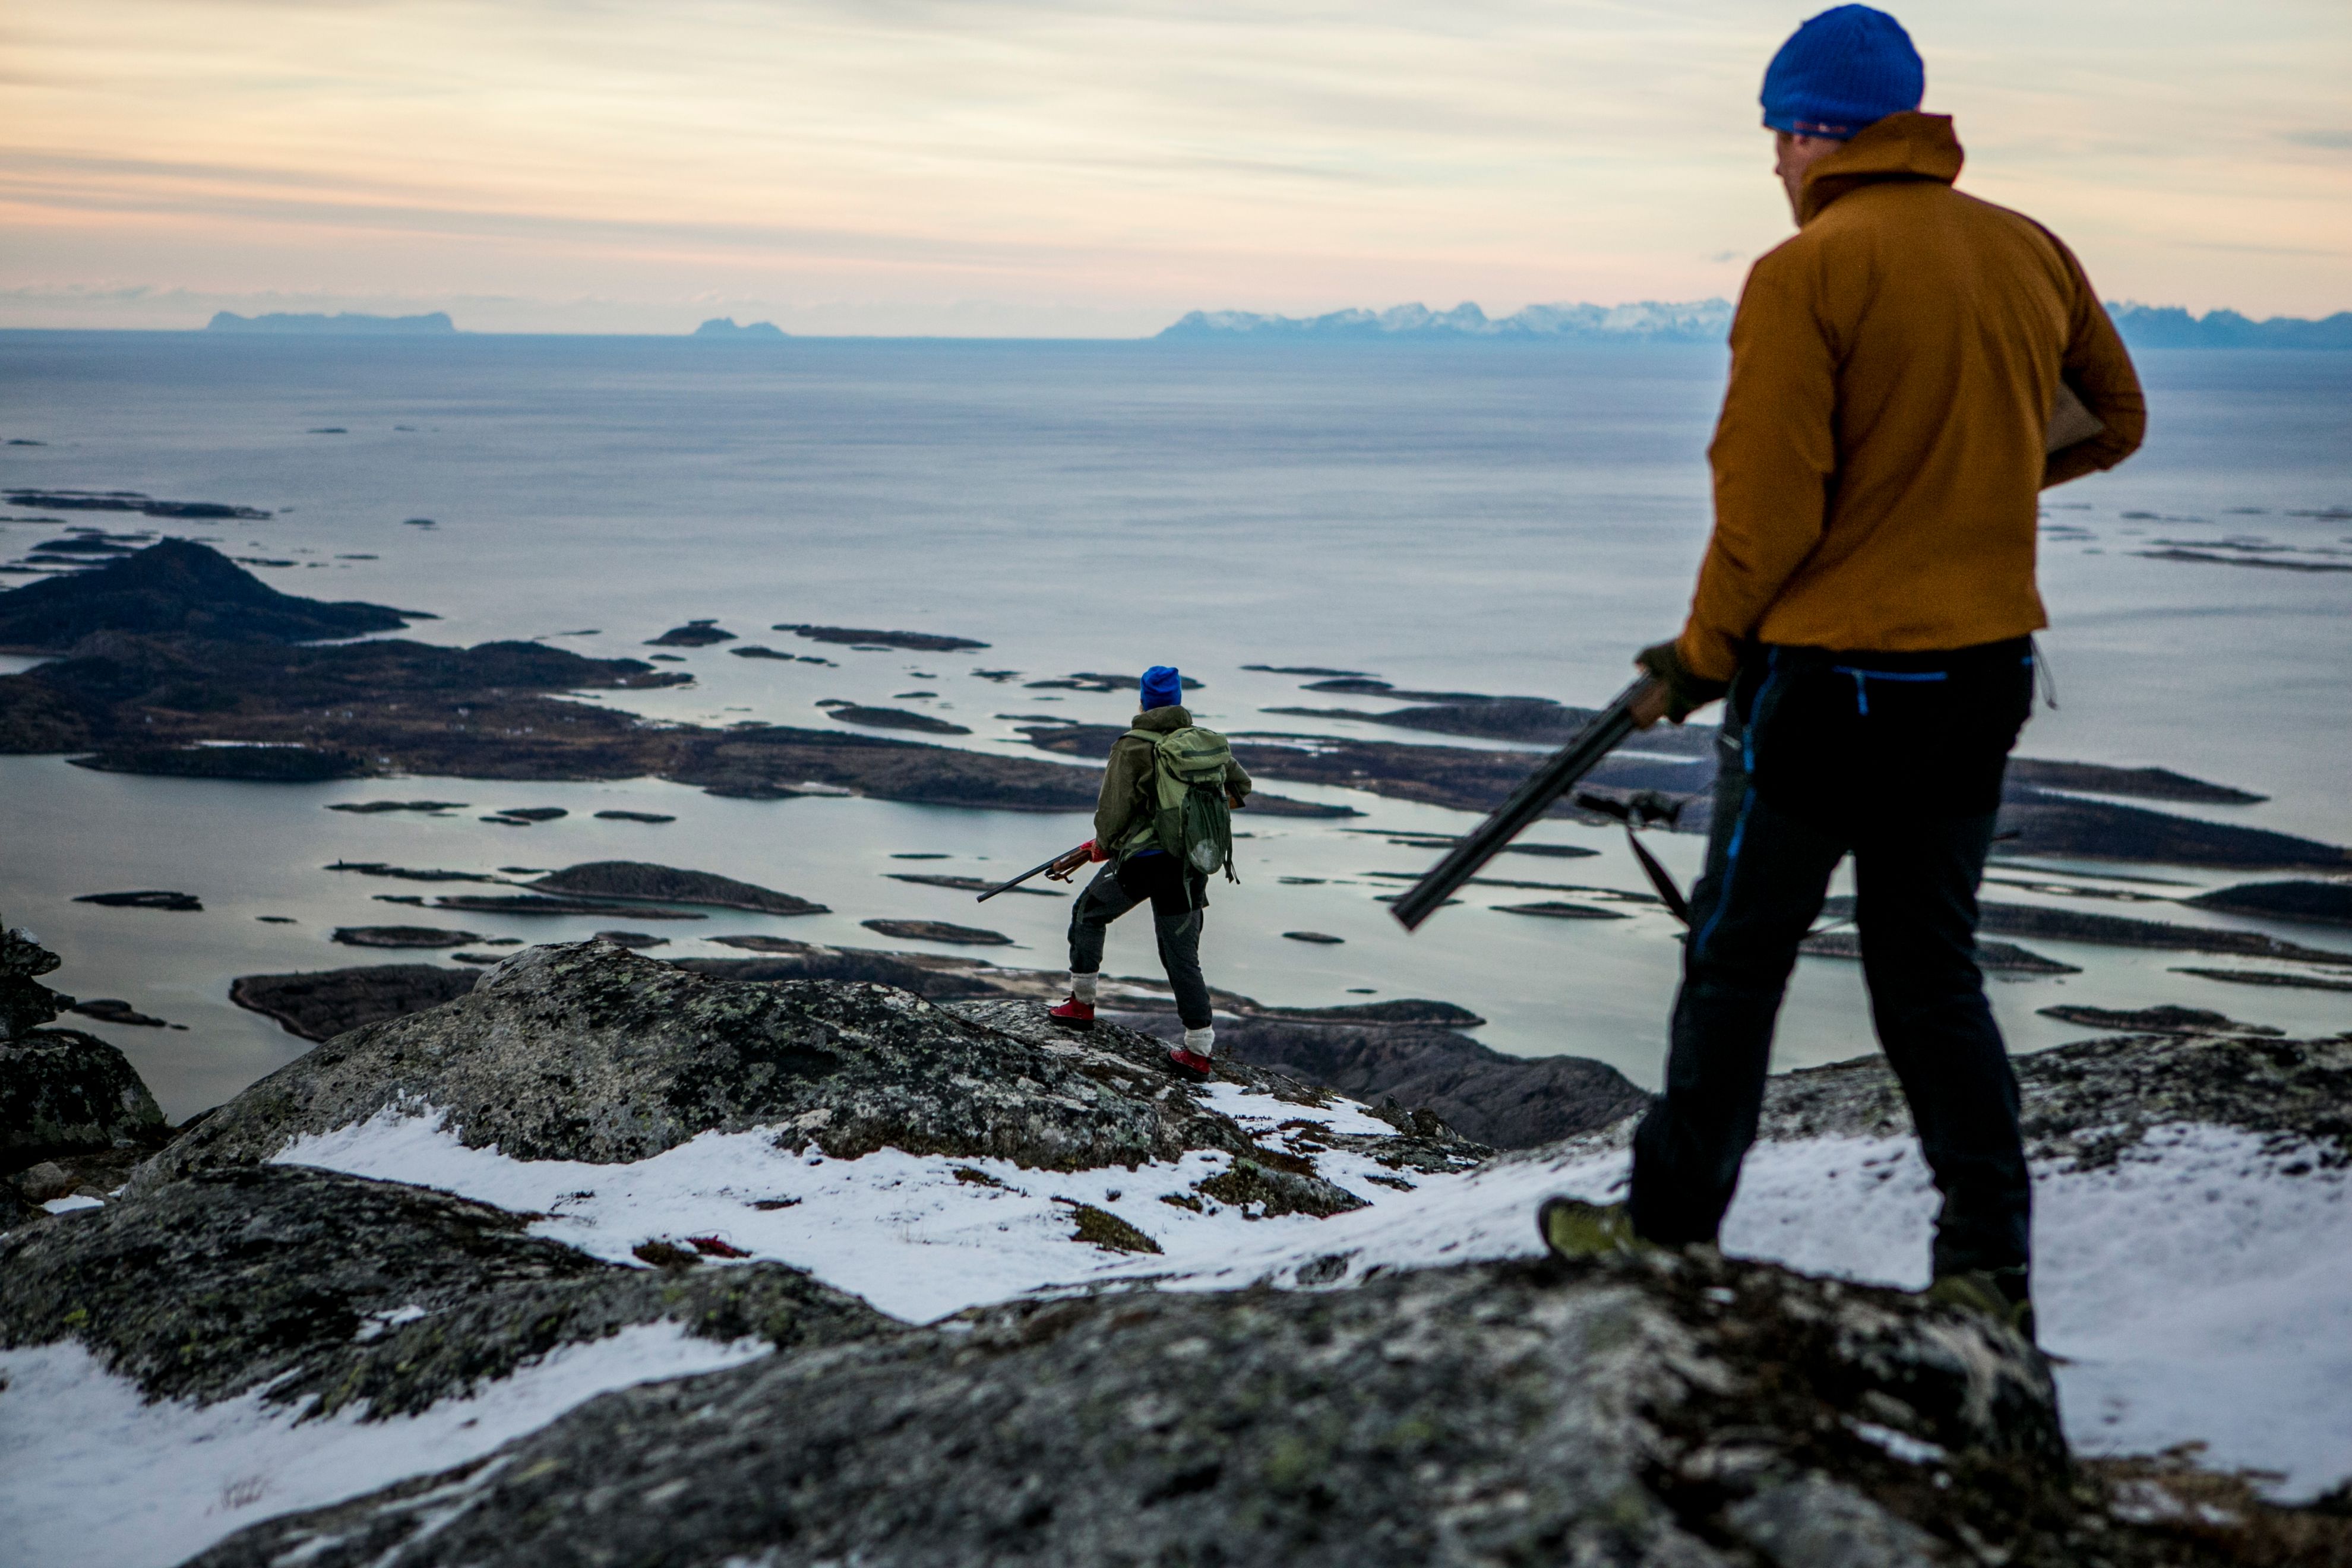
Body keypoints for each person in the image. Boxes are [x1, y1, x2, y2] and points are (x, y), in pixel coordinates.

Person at [1537, 5, 2145, 1338]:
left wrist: (1700, 658)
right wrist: (1968, 484)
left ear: (1819, 133)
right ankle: (1987, 1269)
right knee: (1932, 976)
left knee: (1737, 963)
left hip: (1824, 692)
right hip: (1979, 679)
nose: (1771, 164)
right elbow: (2117, 417)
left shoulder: (1806, 272)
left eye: (1776, 134)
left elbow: (1764, 515)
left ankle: (1665, 1239)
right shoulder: (2028, 250)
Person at [1048, 666, 1253, 1081]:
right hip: (1193, 862)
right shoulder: (1203, 744)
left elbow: (1111, 816)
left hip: (1146, 861)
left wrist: (1103, 845)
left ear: (1143, 701)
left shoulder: (1133, 746)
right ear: (1177, 701)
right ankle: (1198, 1049)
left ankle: (1082, 1005)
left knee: (1088, 913)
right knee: (1182, 956)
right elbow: (1240, 789)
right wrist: (1189, 819)